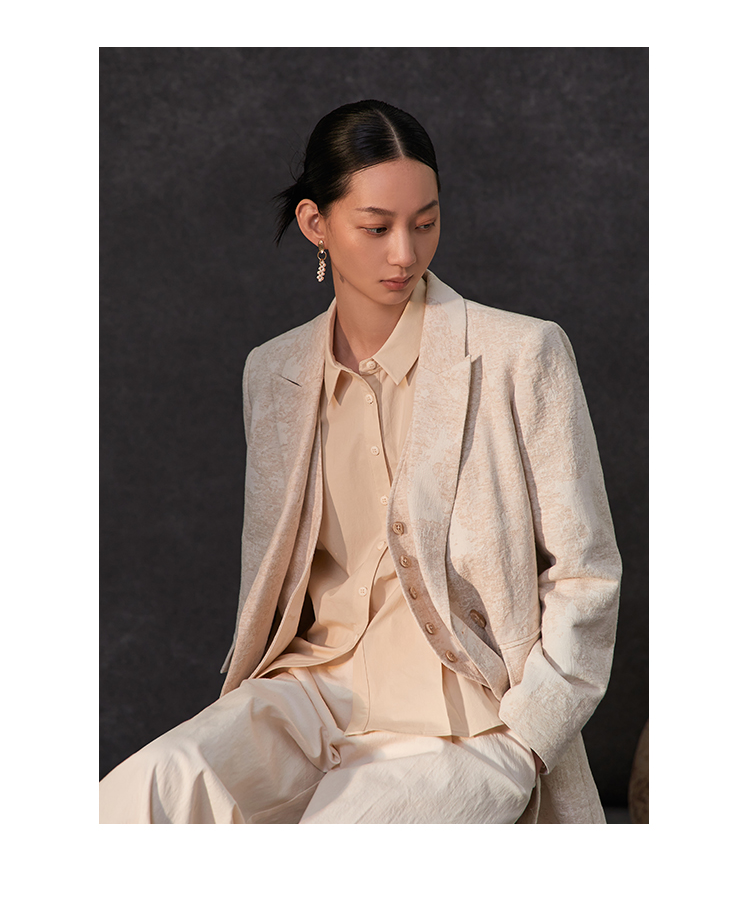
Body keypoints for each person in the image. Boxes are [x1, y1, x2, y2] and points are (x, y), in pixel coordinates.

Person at [99, 99, 621, 824]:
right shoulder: (274, 372)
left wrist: (528, 740)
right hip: (311, 692)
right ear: (316, 223)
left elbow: (586, 574)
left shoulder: (521, 354)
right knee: (146, 789)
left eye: (425, 222)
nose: (405, 252)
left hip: (468, 716)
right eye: (377, 227)